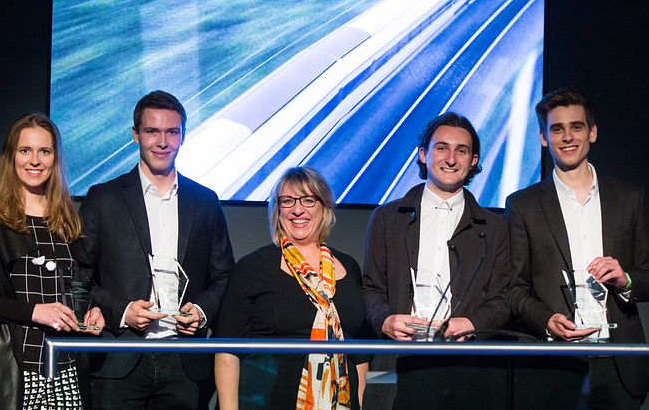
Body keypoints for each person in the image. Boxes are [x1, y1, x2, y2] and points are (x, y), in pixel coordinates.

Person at [80, 90, 235, 409]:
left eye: (171, 132)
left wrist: (201, 311)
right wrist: (121, 310)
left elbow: (224, 277)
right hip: (118, 360)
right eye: (152, 131)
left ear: (182, 136)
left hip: (186, 364)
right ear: (135, 135)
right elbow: (79, 278)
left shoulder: (205, 202)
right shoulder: (103, 199)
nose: (162, 141)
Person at [0, 113, 105, 409]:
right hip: (11, 372)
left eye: (44, 151)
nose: (35, 160)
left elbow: (85, 286)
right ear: (10, 157)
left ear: (55, 158)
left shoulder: (69, 221)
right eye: (25, 151)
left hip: (65, 370)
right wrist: (34, 312)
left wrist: (93, 310)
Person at [506, 88, 648, 409]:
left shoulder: (629, 197)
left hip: (620, 363)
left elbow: (647, 275)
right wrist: (546, 320)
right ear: (544, 138)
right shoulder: (522, 205)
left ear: (592, 132)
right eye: (557, 129)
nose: (568, 137)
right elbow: (513, 288)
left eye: (577, 127)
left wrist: (625, 280)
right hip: (554, 360)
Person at [362, 112, 511, 408]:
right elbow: (372, 289)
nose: (451, 159)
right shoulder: (388, 218)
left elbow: (504, 298)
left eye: (462, 150)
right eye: (442, 148)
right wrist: (386, 321)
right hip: (401, 364)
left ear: (473, 161)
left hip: (470, 370)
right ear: (422, 155)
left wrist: (471, 322)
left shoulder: (494, 227)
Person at [215, 166, 369, 410]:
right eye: (287, 201)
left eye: (308, 200)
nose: (298, 210)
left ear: (324, 206)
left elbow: (359, 350)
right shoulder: (252, 267)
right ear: (277, 211)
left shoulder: (349, 267)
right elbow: (226, 352)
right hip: (268, 401)